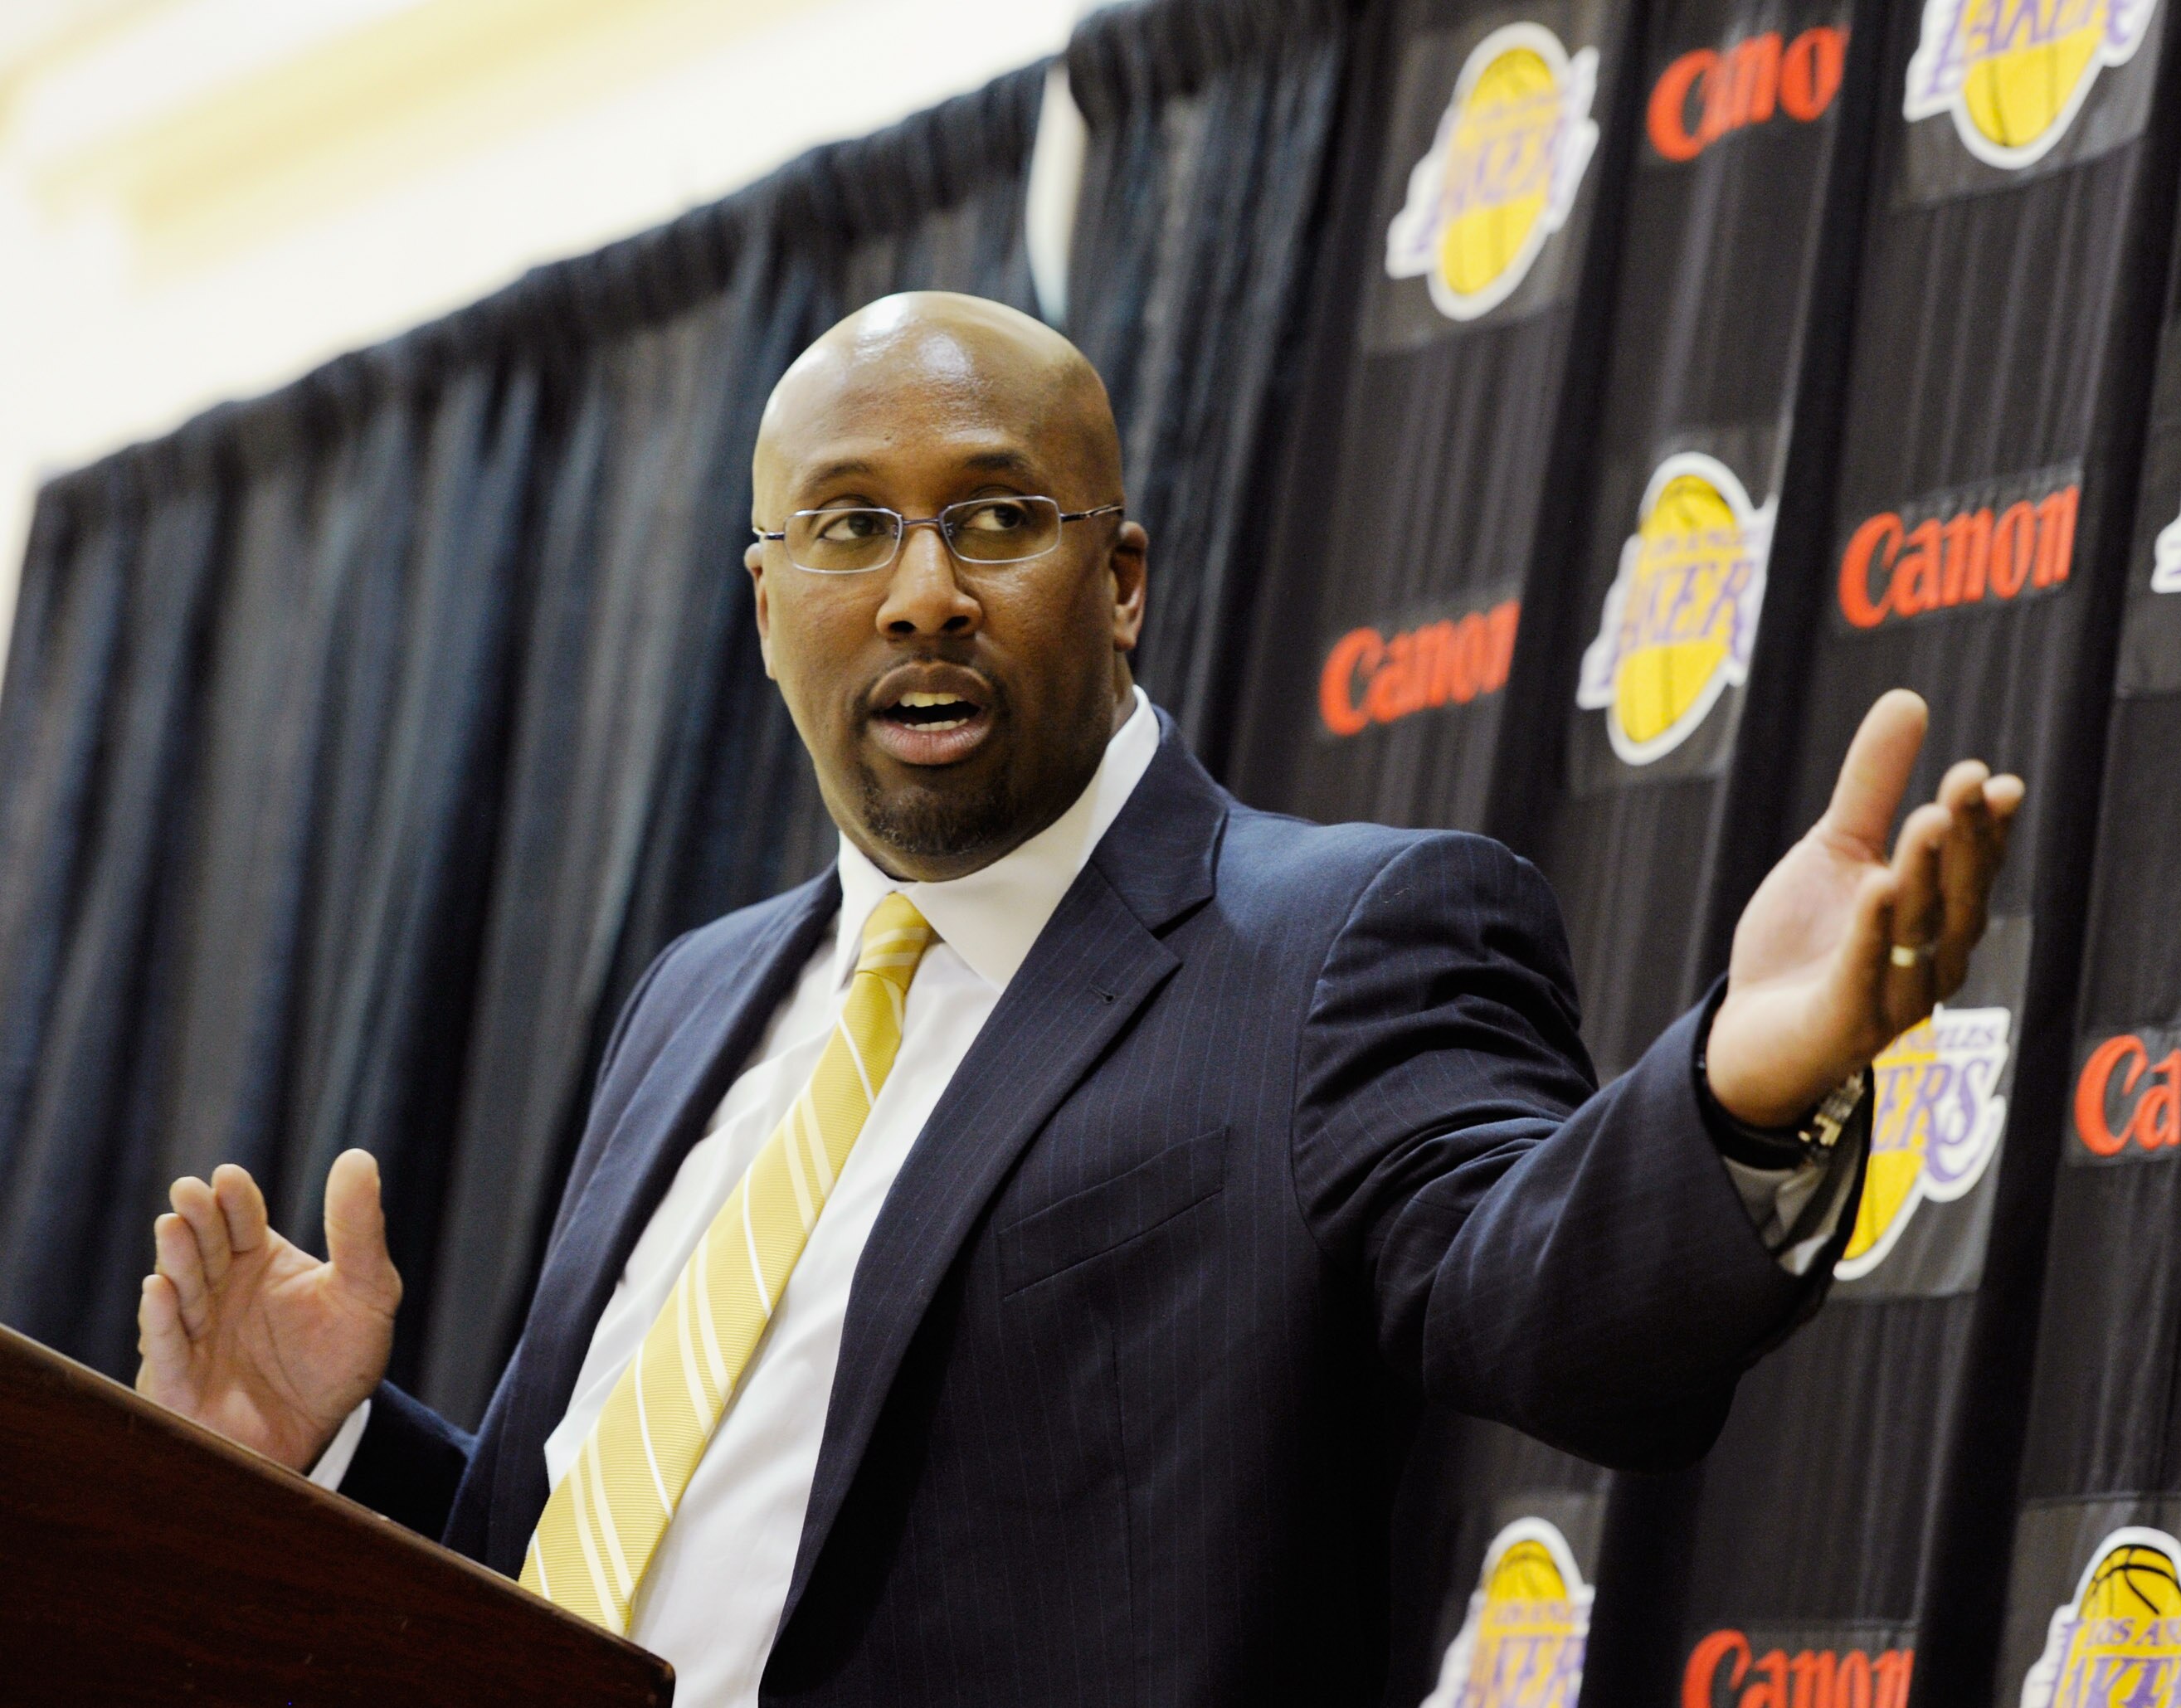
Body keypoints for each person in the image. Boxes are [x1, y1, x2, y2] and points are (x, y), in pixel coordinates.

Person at [133, 293, 2020, 1706]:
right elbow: (650, 1567)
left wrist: (1738, 1101)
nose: (925, 591)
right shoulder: (693, 997)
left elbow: (1548, 1300)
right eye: (850, 528)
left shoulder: (1338, 937)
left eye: (998, 520)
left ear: (1120, 581)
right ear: (767, 597)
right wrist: (348, 1459)